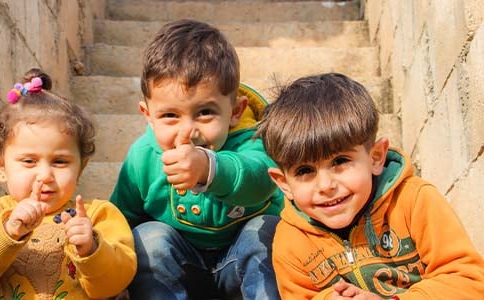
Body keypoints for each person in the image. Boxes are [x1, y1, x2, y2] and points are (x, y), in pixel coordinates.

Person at [257, 72, 484, 299]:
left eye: (340, 161)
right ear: (284, 184)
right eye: (305, 171)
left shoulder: (414, 201)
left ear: (376, 158)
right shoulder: (291, 241)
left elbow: (467, 281)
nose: (325, 185)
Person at [109, 19, 284, 299]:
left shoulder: (254, 140)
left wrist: (210, 168)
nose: (187, 132)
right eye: (170, 116)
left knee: (265, 231)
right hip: (180, 265)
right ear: (148, 115)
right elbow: (121, 217)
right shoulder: (143, 156)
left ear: (236, 111)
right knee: (148, 238)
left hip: (238, 262)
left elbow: (260, 179)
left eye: (205, 113)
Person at [0, 68, 136, 299]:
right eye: (29, 161)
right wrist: (7, 231)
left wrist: (92, 248)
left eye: (60, 161)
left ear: (81, 167)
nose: (45, 175)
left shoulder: (98, 216)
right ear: (0, 166)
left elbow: (115, 282)